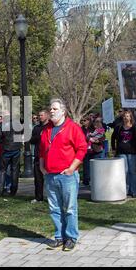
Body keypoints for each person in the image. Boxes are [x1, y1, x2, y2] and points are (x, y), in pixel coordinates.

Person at [39, 99, 87, 252]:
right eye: (50, 108)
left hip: (67, 175)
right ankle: (59, 237)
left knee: (70, 208)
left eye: (54, 109)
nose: (51, 111)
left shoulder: (72, 128)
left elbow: (82, 149)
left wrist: (72, 168)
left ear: (63, 112)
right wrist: (41, 166)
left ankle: (71, 238)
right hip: (50, 175)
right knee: (54, 208)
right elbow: (41, 149)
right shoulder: (46, 129)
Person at [111, 110, 136, 198]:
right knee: (125, 171)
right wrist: (113, 148)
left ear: (131, 117)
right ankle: (126, 190)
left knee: (132, 171)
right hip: (122, 152)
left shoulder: (135, 127)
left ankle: (134, 191)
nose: (125, 118)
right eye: (124, 116)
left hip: (132, 152)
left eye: (127, 116)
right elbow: (113, 138)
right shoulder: (119, 127)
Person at [0, 111, 22, 196]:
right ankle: (13, 190)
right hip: (16, 148)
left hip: (6, 148)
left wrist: (3, 141)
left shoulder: (1, 125)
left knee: (2, 170)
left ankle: (0, 190)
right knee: (15, 169)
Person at [29, 109, 50, 203]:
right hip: (38, 154)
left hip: (49, 155)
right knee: (38, 178)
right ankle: (38, 197)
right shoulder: (37, 128)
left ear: (47, 116)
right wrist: (39, 136)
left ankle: (52, 197)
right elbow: (31, 140)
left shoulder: (51, 127)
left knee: (50, 178)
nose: (39, 117)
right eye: (39, 115)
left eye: (41, 115)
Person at [81, 116, 105, 186]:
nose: (83, 122)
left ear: (89, 121)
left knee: (96, 167)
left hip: (96, 150)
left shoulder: (95, 127)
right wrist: (89, 139)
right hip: (86, 150)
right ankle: (86, 181)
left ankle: (97, 181)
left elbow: (103, 136)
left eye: (85, 120)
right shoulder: (81, 129)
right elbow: (81, 137)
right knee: (86, 167)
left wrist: (97, 140)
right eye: (82, 120)